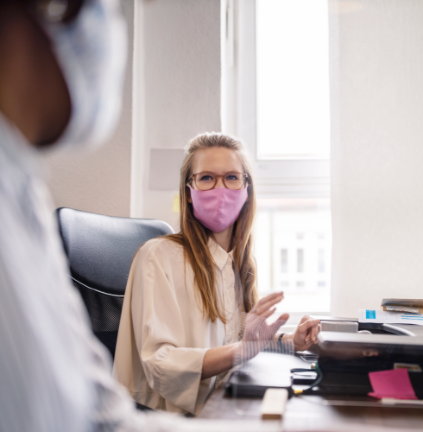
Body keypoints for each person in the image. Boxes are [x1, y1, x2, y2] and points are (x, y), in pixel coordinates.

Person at [0, 1, 250, 431]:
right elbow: (159, 370)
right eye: (99, 7)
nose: (109, 32)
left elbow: (98, 412)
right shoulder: (159, 255)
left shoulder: (23, 195)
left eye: (232, 179)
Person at [113, 133, 321, 414]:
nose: (220, 189)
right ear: (188, 192)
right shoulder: (158, 256)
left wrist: (291, 342)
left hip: (219, 408)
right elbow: (160, 364)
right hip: (167, 420)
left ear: (246, 190)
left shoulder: (237, 263)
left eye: (232, 178)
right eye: (206, 178)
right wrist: (242, 350)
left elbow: (240, 343)